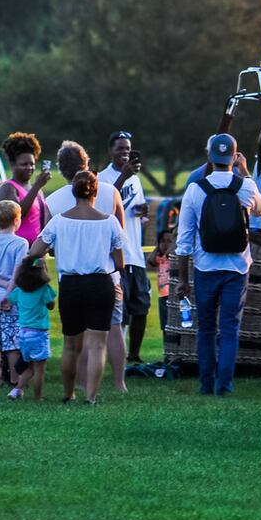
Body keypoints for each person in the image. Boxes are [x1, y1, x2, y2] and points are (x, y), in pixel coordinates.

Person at [176, 133, 261, 397]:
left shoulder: (196, 189)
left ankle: (206, 384)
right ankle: (224, 386)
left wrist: (182, 278)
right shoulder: (245, 186)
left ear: (209, 157)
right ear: (234, 157)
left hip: (205, 266)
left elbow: (184, 239)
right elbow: (260, 210)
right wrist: (246, 173)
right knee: (229, 328)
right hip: (237, 267)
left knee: (206, 329)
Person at [26, 170, 126, 404]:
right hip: (101, 285)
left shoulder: (60, 221)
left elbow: (35, 251)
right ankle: (91, 396)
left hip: (71, 285)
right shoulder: (109, 221)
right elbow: (120, 262)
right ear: (96, 192)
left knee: (71, 345)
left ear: (73, 192)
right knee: (97, 345)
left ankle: (68, 393)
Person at [48, 141, 130, 392]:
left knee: (76, 338)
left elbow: (49, 247)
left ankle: (81, 384)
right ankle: (119, 382)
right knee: (111, 330)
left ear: (62, 169)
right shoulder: (110, 192)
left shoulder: (52, 201)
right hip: (106, 277)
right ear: (87, 163)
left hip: (71, 279)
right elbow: (121, 235)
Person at [101, 131, 153, 364]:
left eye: (128, 149)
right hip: (115, 254)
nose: (125, 153)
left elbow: (131, 208)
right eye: (120, 148)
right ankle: (116, 356)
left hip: (136, 252)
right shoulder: (102, 179)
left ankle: (134, 355)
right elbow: (105, 206)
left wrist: (143, 211)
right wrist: (123, 176)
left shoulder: (135, 178)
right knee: (119, 310)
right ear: (110, 151)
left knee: (141, 306)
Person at [0, 200, 28, 394]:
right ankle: (14, 379)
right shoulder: (21, 243)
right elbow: (18, 273)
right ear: (17, 220)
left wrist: (0, 285)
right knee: (12, 342)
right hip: (13, 298)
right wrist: (8, 292)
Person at [9, 257, 56, 401]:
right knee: (39, 369)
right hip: (39, 333)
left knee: (28, 366)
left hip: (23, 333)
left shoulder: (20, 290)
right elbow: (51, 305)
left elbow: (11, 299)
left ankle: (17, 390)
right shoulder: (43, 289)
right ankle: (38, 397)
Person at [0, 132, 51, 244]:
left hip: (35, 252)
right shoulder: (8, 188)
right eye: (24, 164)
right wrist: (36, 186)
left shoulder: (36, 189)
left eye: (32, 164)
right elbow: (15, 215)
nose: (29, 168)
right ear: (12, 164)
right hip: (16, 250)